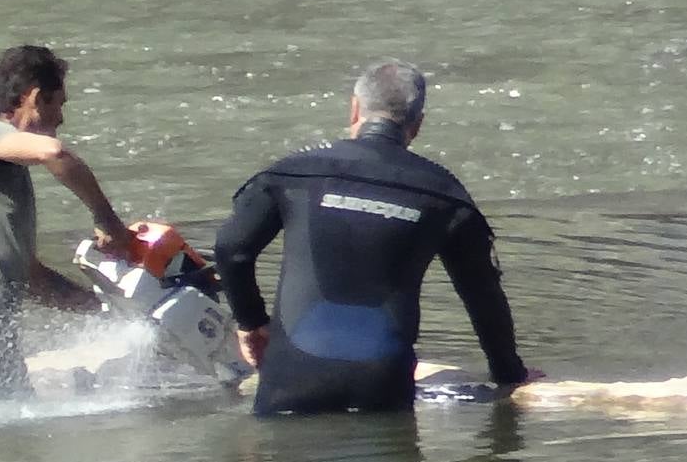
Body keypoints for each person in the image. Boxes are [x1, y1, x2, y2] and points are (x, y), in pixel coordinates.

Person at [214, 59, 540, 415]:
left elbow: (232, 250)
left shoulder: (291, 174)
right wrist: (510, 373)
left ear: (355, 108)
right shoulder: (446, 194)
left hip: (290, 381)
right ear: (417, 125)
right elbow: (482, 295)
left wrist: (251, 324)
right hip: (382, 388)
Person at [0, 44, 133, 404]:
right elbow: (54, 153)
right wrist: (107, 220)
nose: (61, 118)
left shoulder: (6, 181)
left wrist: (109, 310)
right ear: (33, 98)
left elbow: (31, 277)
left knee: (16, 454)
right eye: (58, 104)